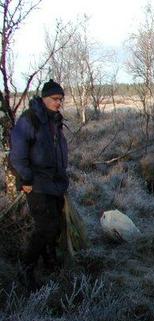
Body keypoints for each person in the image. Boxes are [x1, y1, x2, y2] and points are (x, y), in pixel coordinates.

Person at [9, 79, 69, 288]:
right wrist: (25, 178)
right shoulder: (30, 119)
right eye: (55, 99)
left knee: (55, 227)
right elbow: (17, 154)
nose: (58, 102)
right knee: (45, 227)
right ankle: (26, 269)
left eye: (61, 99)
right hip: (35, 183)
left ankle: (50, 262)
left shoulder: (54, 120)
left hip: (54, 183)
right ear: (44, 98)